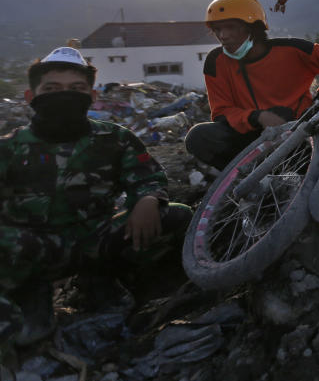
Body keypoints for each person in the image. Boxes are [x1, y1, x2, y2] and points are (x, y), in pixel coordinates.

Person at [0, 48, 192, 351]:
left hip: (97, 239)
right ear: (30, 96)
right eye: (52, 89)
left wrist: (147, 200)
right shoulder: (8, 149)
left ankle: (102, 280)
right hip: (34, 251)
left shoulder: (115, 138)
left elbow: (147, 177)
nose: (65, 96)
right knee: (28, 333)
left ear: (91, 94)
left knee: (178, 216)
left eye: (76, 89)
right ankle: (30, 294)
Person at [184, 0, 319, 170]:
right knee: (198, 137)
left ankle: (293, 173)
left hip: (298, 133)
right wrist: (256, 117)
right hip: (250, 135)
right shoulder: (216, 61)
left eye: (231, 27)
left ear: (253, 27)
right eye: (217, 29)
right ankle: (251, 182)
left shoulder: (292, 50)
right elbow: (222, 112)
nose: (223, 35)